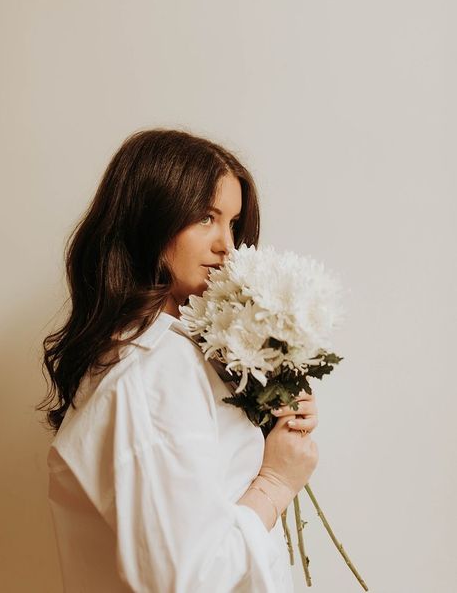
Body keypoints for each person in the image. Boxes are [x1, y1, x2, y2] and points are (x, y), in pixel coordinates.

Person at [36, 128, 319, 592]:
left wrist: (274, 427)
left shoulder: (170, 353)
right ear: (150, 219)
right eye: (205, 217)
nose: (227, 244)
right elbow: (186, 580)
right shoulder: (152, 370)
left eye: (232, 222)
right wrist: (275, 482)